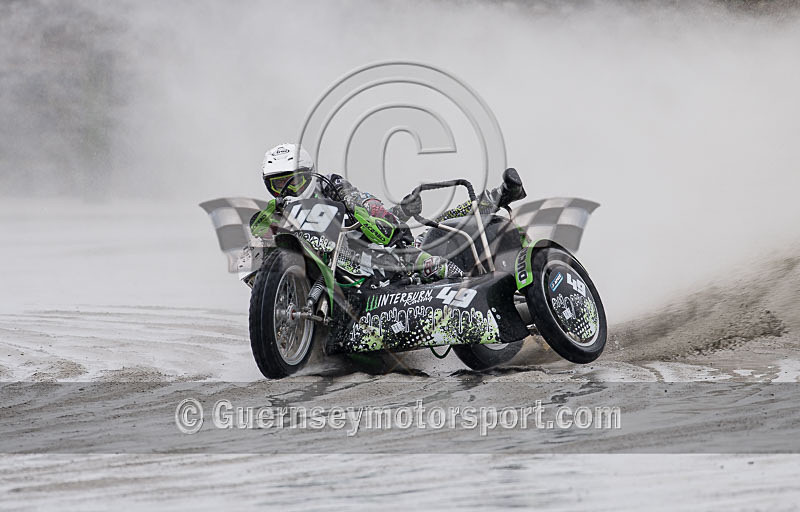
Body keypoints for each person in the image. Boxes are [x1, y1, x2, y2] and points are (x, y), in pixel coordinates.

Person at [250, 143, 525, 282]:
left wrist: (391, 216)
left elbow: (372, 213)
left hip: (365, 250)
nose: (287, 189)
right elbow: (255, 240)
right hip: (324, 266)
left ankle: (496, 197)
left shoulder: (332, 185)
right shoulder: (277, 208)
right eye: (277, 184)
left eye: (293, 181)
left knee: (432, 240)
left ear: (308, 174)